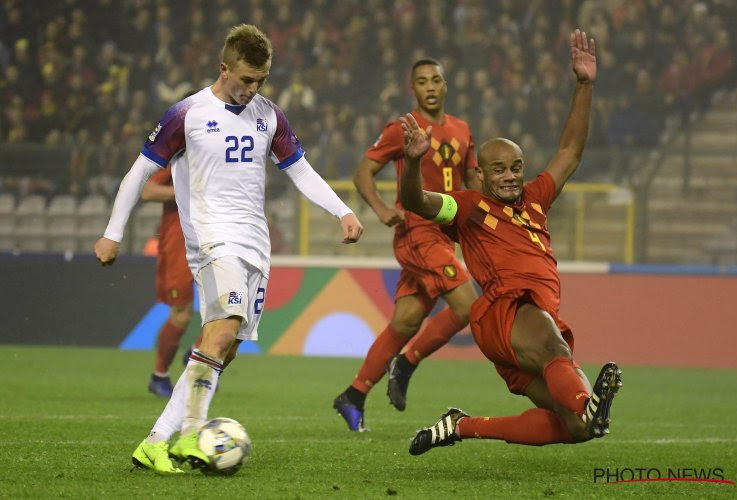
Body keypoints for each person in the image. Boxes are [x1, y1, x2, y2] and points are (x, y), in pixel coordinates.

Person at [94, 24, 363, 473]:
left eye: (260, 81)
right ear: (224, 68)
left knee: (226, 346)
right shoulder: (187, 113)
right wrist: (113, 232)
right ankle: (192, 437)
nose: (251, 89)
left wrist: (342, 211)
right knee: (223, 328)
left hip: (255, 246)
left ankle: (156, 441)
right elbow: (138, 174)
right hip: (212, 239)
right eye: (245, 80)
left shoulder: (269, 114)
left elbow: (300, 171)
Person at [398, 30, 622, 455]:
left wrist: (584, 85)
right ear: (480, 174)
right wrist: (412, 163)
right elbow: (416, 200)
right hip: (506, 311)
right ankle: (584, 401)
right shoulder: (467, 208)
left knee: (576, 428)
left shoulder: (536, 197)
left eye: (516, 167)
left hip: (527, 322)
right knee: (557, 351)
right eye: (498, 169)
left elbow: (571, 148)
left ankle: (461, 426)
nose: (509, 176)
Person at [333, 58, 481, 431]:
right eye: (421, 82)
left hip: (446, 236)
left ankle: (354, 395)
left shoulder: (463, 130)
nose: (429, 87)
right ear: (412, 89)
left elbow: (472, 184)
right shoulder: (404, 129)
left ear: (445, 86)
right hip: (418, 232)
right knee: (468, 307)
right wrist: (382, 208)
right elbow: (363, 171)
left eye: (435, 80)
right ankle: (409, 361)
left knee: (407, 319)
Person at [140, 164, 203, 398]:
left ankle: (198, 353)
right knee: (182, 313)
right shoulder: (180, 153)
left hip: (217, 239)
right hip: (180, 244)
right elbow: (147, 191)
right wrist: (187, 192)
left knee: (228, 308)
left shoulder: (225, 151)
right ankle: (159, 375)